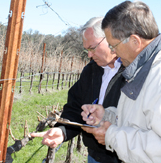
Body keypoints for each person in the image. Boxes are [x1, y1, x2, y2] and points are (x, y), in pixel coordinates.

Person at [81, 0, 161, 163]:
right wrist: (106, 115)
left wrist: (111, 136)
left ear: (135, 41)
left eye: (113, 45)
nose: (113, 51)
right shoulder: (144, 68)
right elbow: (142, 121)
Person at [31, 17, 125, 163]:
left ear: (110, 39)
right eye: (87, 50)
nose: (89, 55)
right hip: (94, 156)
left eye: (92, 48)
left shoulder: (134, 72)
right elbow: (75, 107)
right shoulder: (90, 71)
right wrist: (62, 131)